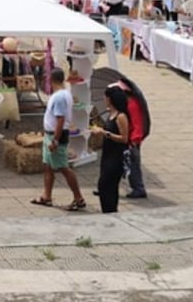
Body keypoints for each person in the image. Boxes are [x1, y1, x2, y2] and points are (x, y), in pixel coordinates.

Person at [31, 67, 86, 211]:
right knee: (48, 166)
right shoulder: (63, 94)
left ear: (51, 80)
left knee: (63, 167)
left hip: (55, 135)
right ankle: (46, 196)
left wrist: (55, 140)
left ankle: (78, 198)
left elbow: (60, 119)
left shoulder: (59, 97)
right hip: (50, 134)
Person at [96, 87, 132, 213]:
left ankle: (110, 211)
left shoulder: (121, 116)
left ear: (110, 99)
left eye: (105, 97)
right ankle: (107, 210)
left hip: (116, 156)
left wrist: (105, 133)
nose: (104, 99)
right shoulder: (110, 113)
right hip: (107, 154)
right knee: (105, 185)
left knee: (107, 184)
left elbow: (124, 138)